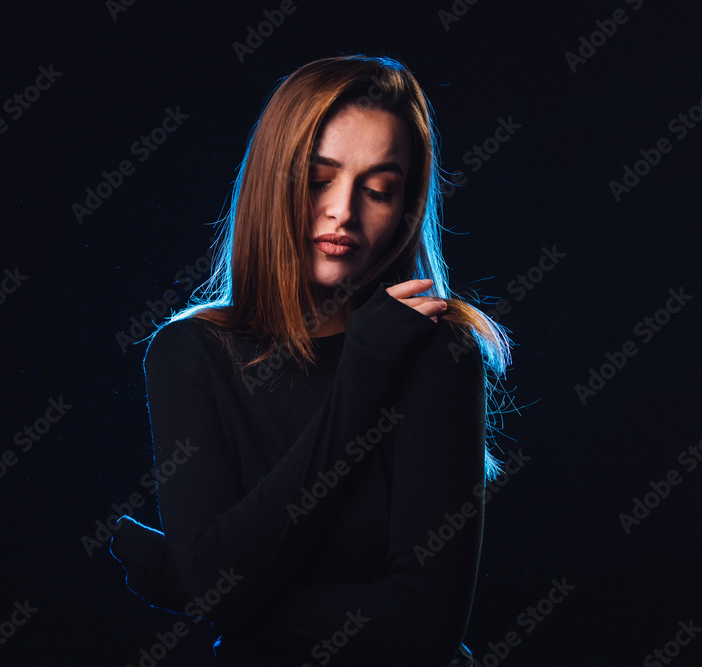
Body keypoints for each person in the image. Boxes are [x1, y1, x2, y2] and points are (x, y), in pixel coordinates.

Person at [110, 54, 513, 666]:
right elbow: (224, 583)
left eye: (378, 190)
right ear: (275, 178)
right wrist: (213, 587)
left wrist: (188, 582)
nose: (344, 212)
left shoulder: (438, 352)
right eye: (319, 178)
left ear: (406, 208)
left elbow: (423, 629)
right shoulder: (190, 353)